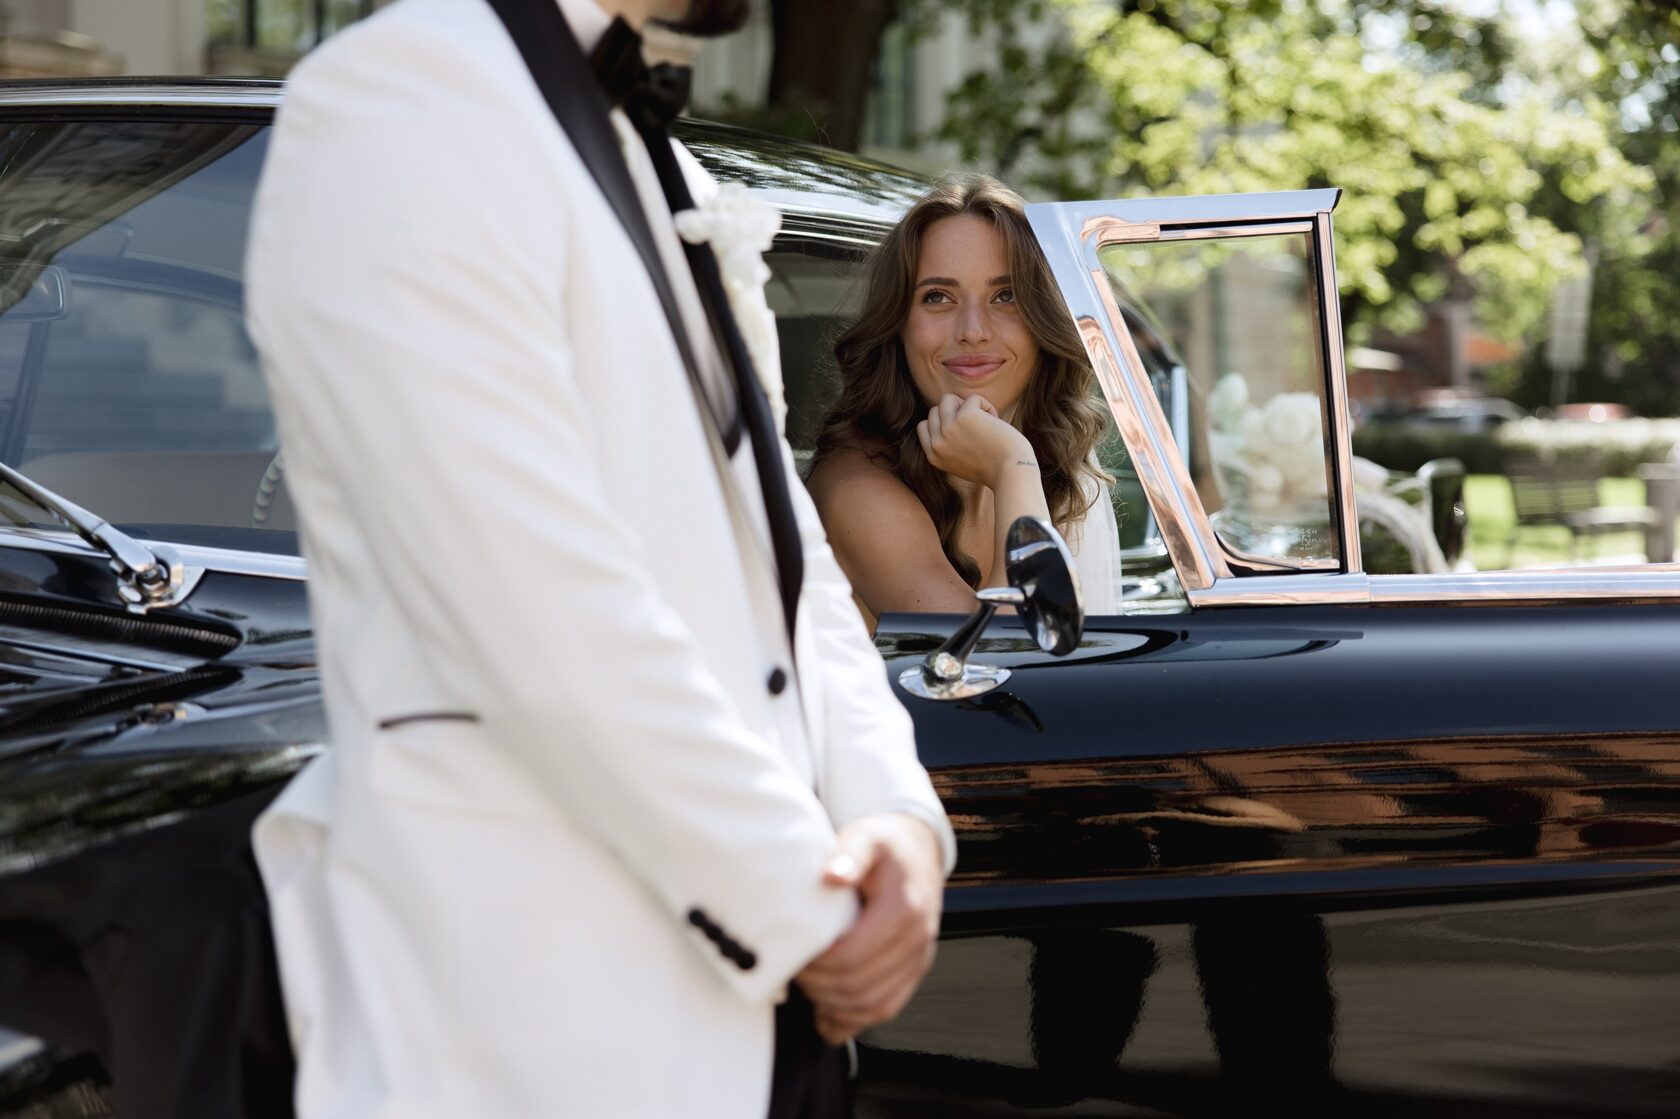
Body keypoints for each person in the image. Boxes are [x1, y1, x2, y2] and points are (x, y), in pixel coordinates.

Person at [242, 0, 955, 1116]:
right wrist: (800, 899)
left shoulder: (652, 151)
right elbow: (527, 609)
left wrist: (897, 818)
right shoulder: (403, 101)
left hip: (767, 1018)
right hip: (535, 1033)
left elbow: (783, 554)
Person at [806, 175, 1121, 630]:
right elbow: (1012, 659)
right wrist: (1011, 467)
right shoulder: (856, 492)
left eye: (1006, 296)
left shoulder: (1060, 468)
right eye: (937, 297)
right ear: (898, 324)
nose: (973, 330)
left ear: (1043, 320)